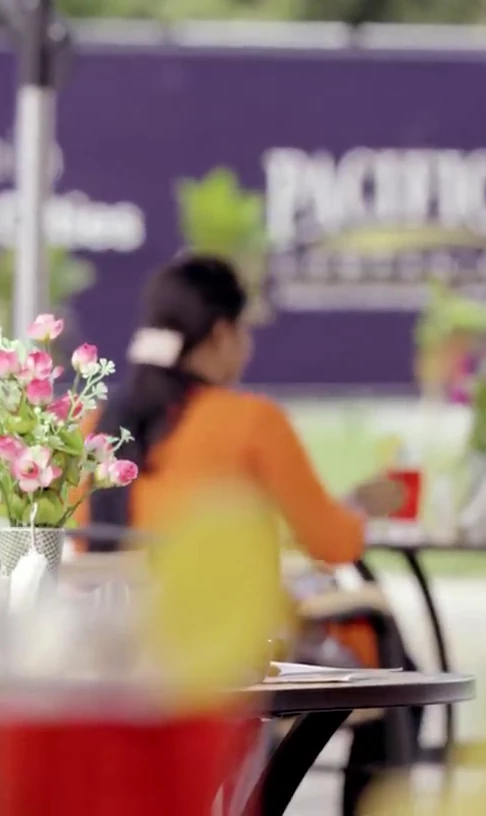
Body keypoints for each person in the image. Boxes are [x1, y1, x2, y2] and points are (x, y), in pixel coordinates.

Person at [80, 254, 407, 814]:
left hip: (120, 655)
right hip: (234, 657)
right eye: (245, 331)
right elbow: (335, 543)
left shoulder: (99, 425)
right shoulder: (250, 422)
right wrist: (362, 507)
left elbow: (86, 547)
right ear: (221, 333)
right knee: (388, 649)